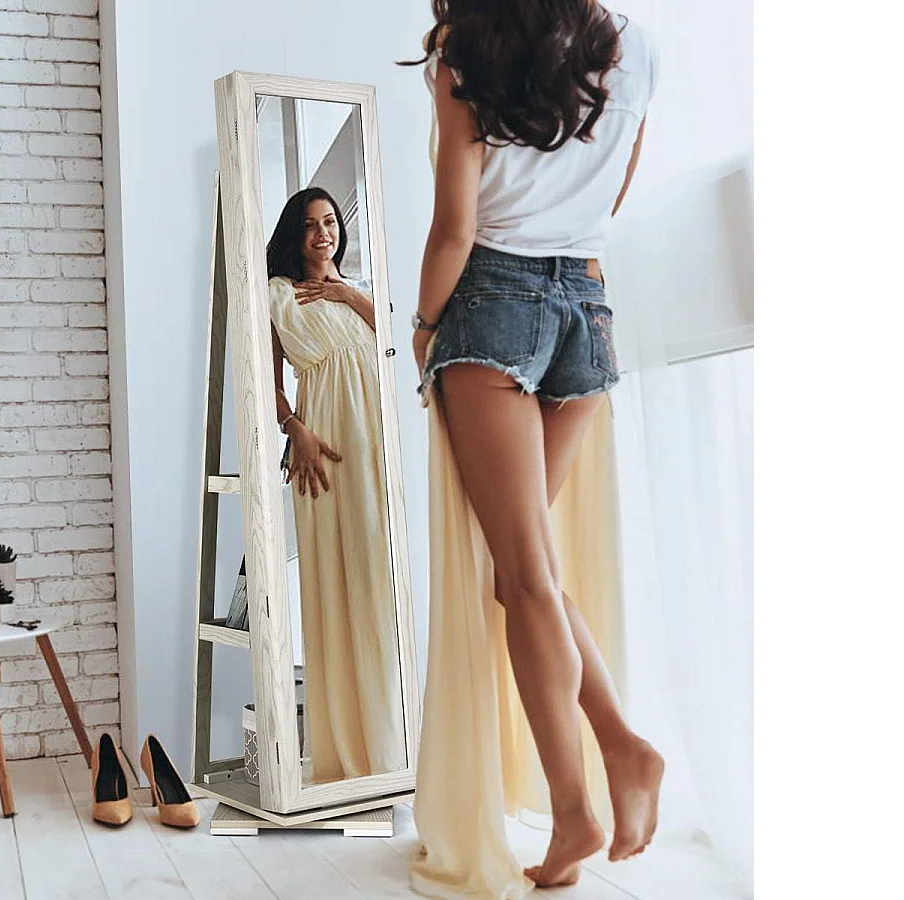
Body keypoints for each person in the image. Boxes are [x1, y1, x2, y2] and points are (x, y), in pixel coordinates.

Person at [406, 1, 665, 892]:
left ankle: (575, 809)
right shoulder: (635, 46)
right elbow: (615, 191)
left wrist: (423, 325)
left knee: (521, 578)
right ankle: (624, 749)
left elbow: (455, 226)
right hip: (588, 305)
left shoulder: (464, 49)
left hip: (495, 303)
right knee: (530, 571)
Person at [265, 187, 407, 782]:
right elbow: (261, 382)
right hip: (323, 449)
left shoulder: (358, 295)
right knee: (335, 586)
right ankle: (348, 753)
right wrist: (293, 427)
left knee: (379, 586)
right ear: (293, 237)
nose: (322, 234)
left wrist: (350, 293)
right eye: (308, 226)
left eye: (329, 222)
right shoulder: (278, 295)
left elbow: (398, 344)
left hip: (376, 448)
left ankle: (390, 751)